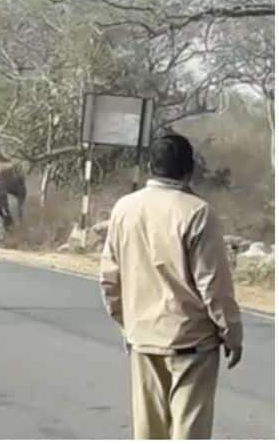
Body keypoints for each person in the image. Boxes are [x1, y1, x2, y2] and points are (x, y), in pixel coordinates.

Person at [99, 133, 243, 439]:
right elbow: (213, 286)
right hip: (193, 344)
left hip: (144, 339)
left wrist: (126, 325)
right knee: (189, 433)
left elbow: (109, 279)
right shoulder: (197, 213)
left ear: (151, 166)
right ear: (189, 170)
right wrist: (232, 333)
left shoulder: (124, 208)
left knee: (149, 433)